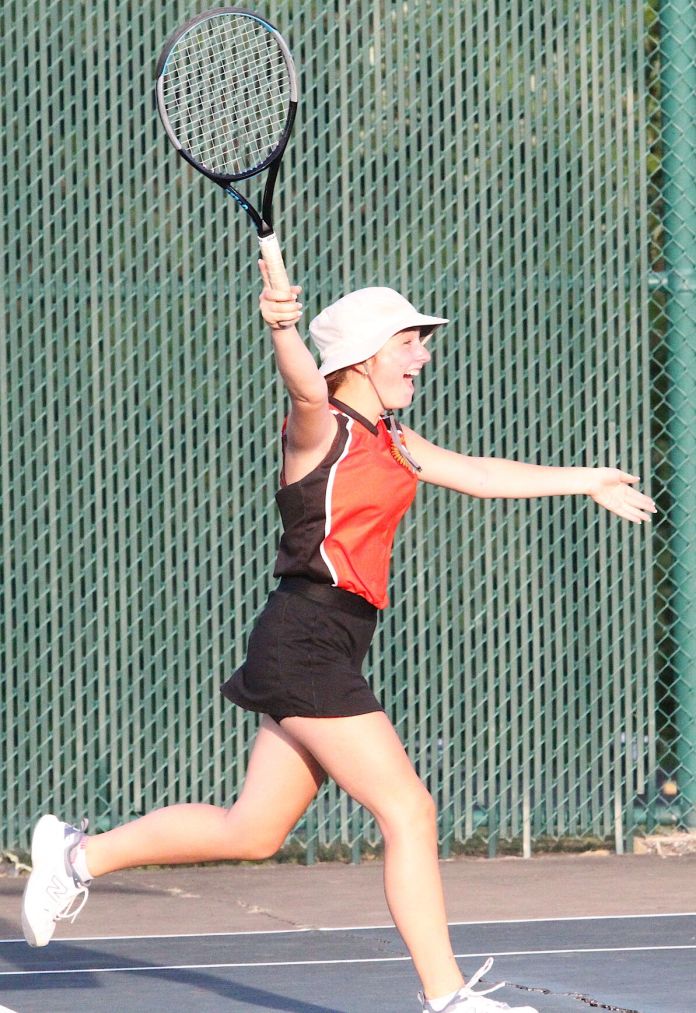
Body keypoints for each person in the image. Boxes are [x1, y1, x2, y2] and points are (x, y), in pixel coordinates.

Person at [21, 264, 656, 1012]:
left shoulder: (396, 439)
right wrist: (283, 327)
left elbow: (479, 473)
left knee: (252, 829)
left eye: (422, 341)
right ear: (361, 357)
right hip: (306, 637)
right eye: (409, 342)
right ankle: (447, 996)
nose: (423, 355)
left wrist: (585, 479)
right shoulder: (321, 427)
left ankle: (76, 854)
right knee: (410, 809)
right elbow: (303, 389)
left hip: (334, 638)